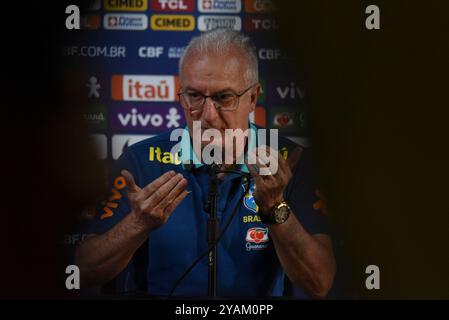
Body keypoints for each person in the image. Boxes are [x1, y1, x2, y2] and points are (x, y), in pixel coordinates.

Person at [75, 29, 336, 298]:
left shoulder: (289, 161)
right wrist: (137, 224)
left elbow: (319, 283)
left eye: (224, 97)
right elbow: (82, 270)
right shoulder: (141, 160)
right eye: (195, 96)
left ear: (253, 97)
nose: (208, 115)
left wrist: (274, 208)